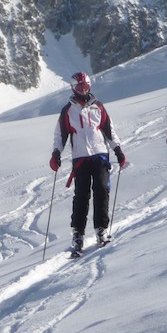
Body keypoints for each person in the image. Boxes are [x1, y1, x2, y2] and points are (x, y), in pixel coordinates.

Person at [50, 72, 127, 254]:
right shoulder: (68, 111)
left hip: (100, 154)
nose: (82, 90)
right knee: (81, 195)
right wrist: (56, 153)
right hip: (81, 158)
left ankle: (101, 229)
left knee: (101, 190)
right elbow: (60, 135)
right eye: (79, 87)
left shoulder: (98, 107)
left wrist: (118, 149)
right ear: (73, 88)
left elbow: (109, 130)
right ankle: (78, 233)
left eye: (85, 86)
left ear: (90, 86)